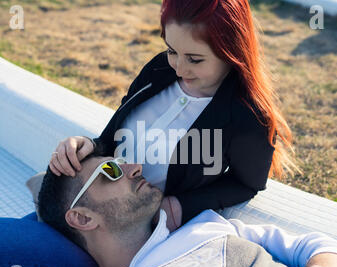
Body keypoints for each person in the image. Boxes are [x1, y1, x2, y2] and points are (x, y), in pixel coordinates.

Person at [49, 0, 298, 231]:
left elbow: (246, 184)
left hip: (140, 235)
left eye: (195, 59)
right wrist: (87, 146)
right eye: (172, 50)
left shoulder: (250, 116)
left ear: (232, 50)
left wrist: (178, 207)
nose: (178, 67)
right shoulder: (157, 69)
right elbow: (114, 137)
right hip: (93, 211)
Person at [35, 155, 337, 267]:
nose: (134, 168)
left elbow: (318, 247)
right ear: (83, 218)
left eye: (123, 161)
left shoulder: (207, 226)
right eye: (110, 171)